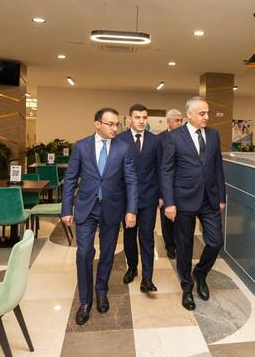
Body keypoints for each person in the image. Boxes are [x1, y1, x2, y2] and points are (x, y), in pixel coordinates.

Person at [61, 108, 138, 325]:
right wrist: (66, 209)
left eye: (117, 124)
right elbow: (70, 178)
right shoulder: (81, 146)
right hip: (87, 207)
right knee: (84, 253)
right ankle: (85, 301)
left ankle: (101, 291)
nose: (115, 128)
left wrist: (131, 210)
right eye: (110, 124)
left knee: (107, 253)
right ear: (97, 124)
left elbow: (131, 180)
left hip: (112, 208)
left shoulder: (124, 148)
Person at [160, 96, 226, 311]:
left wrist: (221, 197)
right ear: (189, 115)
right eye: (202, 113)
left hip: (209, 199)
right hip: (183, 200)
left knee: (215, 242)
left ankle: (200, 273)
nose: (207, 117)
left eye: (207, 113)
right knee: (184, 246)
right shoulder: (174, 137)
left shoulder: (213, 135)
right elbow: (166, 170)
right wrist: (169, 202)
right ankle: (187, 288)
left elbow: (217, 167)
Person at [117, 104, 162, 292]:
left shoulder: (155, 140)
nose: (142, 121)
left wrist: (161, 195)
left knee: (147, 237)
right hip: (127, 198)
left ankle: (147, 278)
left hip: (149, 197)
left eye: (144, 117)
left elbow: (160, 169)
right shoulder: (120, 139)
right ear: (129, 119)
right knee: (129, 236)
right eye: (137, 117)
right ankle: (132, 267)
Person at [158, 109, 184, 259]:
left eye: (181, 120)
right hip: (165, 185)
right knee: (167, 219)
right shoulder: (160, 139)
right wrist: (160, 194)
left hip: (182, 186)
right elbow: (158, 166)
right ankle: (170, 246)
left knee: (182, 218)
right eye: (177, 120)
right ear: (169, 122)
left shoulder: (186, 137)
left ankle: (181, 245)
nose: (180, 123)